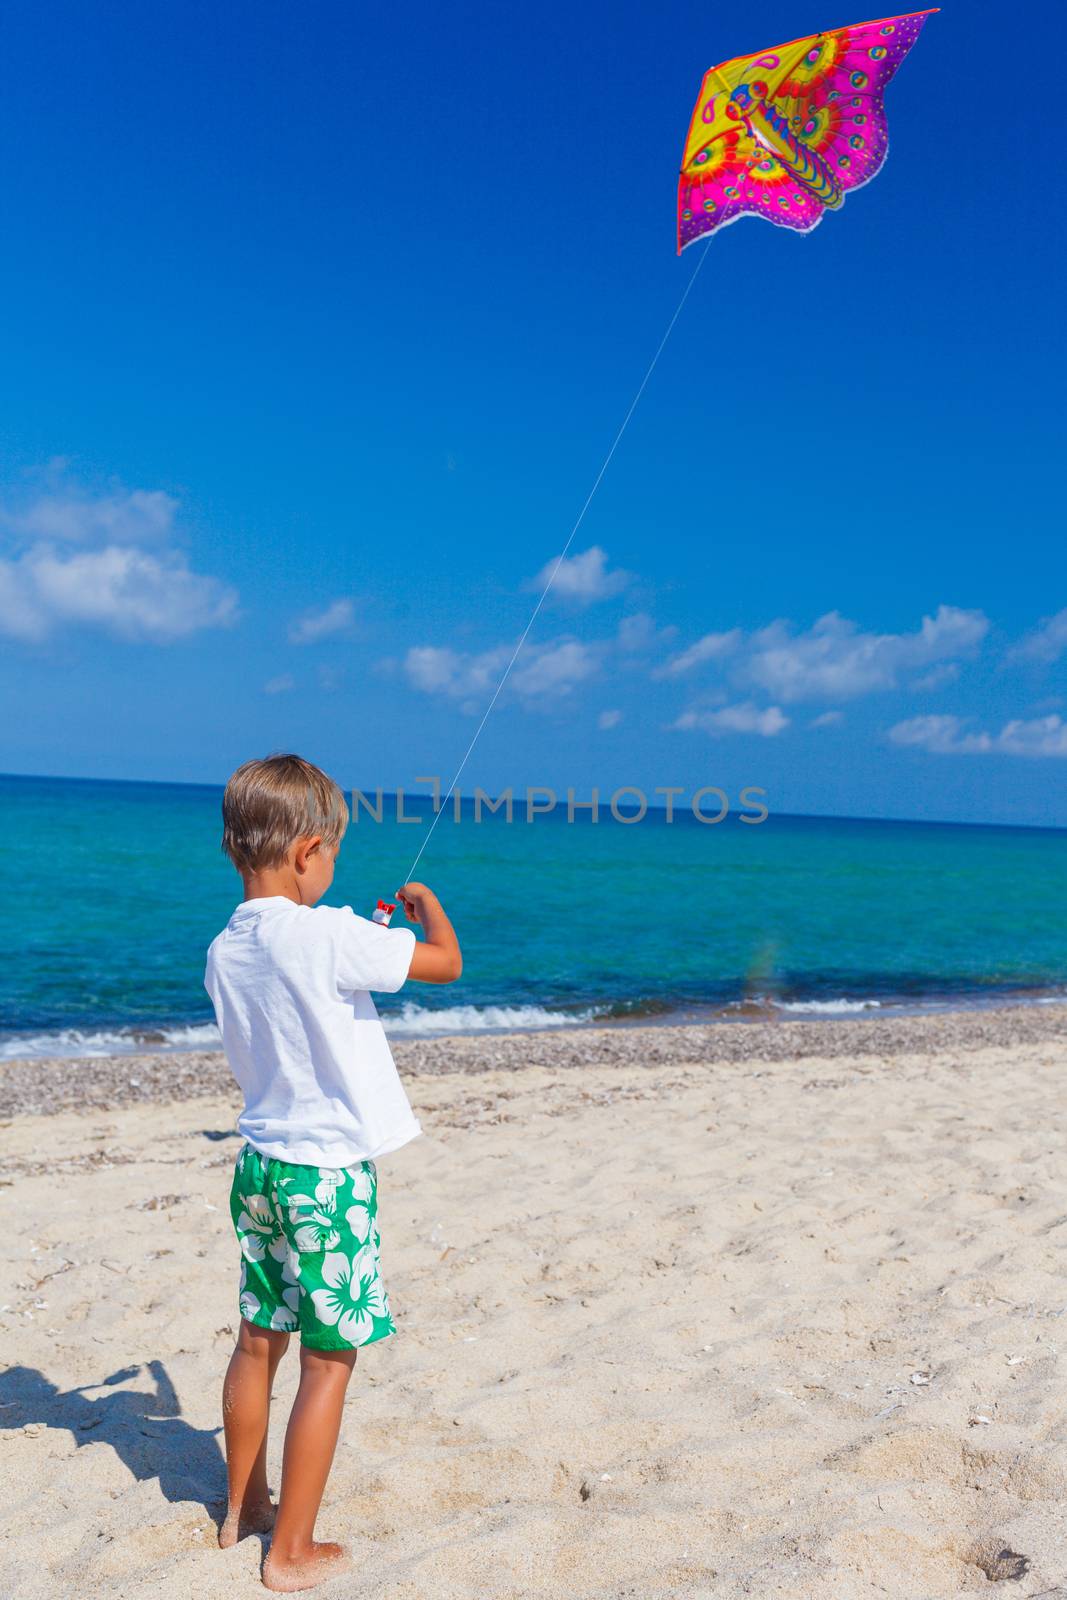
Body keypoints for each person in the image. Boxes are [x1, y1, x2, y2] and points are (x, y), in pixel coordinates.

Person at [204, 753, 461, 1591]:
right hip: (325, 1178)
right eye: (333, 855)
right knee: (328, 1357)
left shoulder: (224, 946)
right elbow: (444, 965)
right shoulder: (330, 934)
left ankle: (241, 1511)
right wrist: (426, 913)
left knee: (257, 1337)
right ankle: (291, 1554)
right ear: (309, 850)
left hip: (260, 1168)